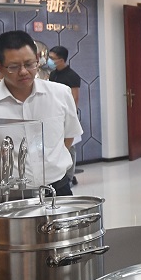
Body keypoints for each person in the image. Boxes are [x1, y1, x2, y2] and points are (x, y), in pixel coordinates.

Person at [0, 31, 82, 196]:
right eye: (14, 67)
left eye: (29, 64)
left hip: (57, 190)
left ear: (37, 59)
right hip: (7, 196)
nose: (24, 72)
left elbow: (68, 136)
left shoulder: (61, 94)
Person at [48, 45, 82, 185]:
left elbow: (75, 98)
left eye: (52, 58)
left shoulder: (72, 76)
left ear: (61, 60)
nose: (49, 61)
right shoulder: (53, 74)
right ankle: (58, 173)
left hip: (67, 115)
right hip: (54, 115)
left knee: (70, 146)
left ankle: (69, 176)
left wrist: (70, 117)